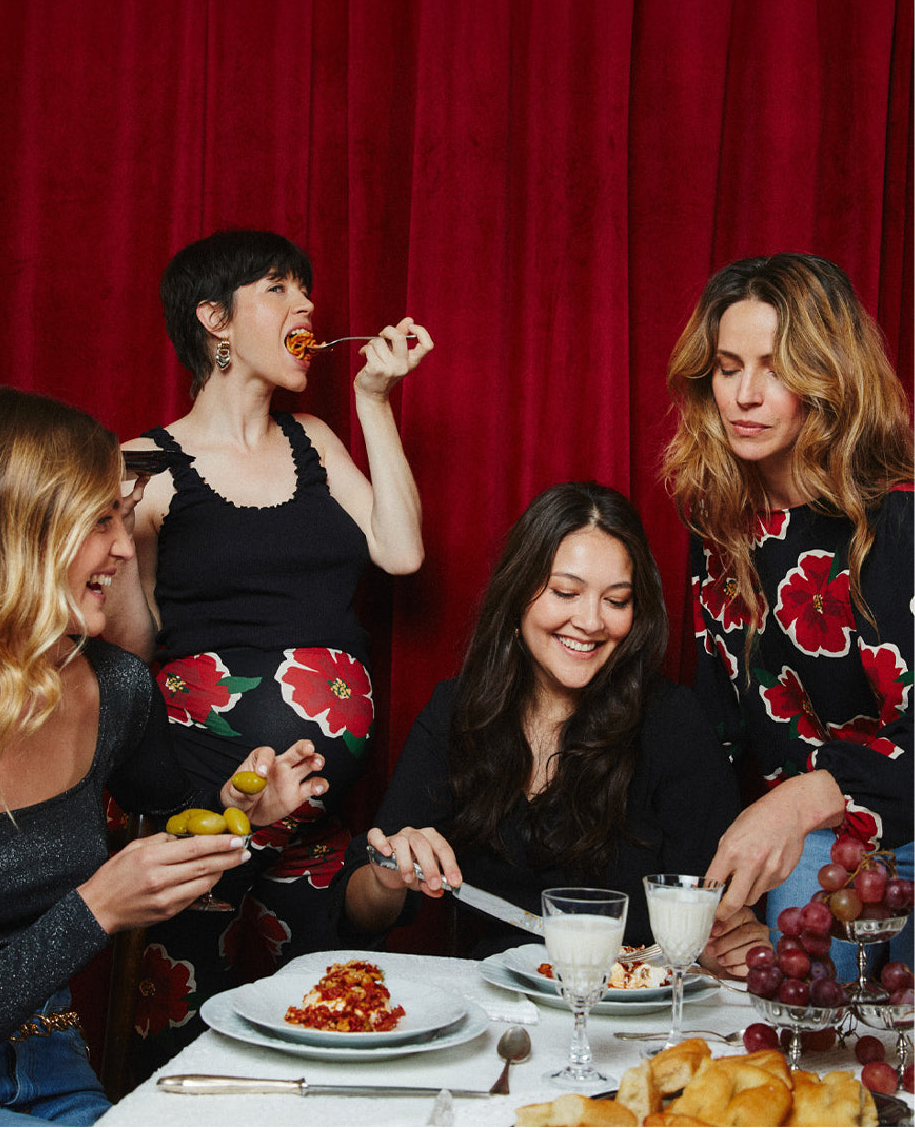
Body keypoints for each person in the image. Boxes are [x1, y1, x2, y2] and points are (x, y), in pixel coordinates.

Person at [0, 387, 327, 1125]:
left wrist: (238, 813)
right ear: (12, 530)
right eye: (99, 520)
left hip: (54, 1072)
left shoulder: (116, 689)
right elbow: (102, 903)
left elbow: (171, 827)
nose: (124, 547)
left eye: (121, 517)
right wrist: (93, 911)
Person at [102, 229, 432, 1057]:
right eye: (279, 288)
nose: (307, 305)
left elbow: (400, 551)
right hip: (203, 816)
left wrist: (374, 403)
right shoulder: (144, 463)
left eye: (304, 289)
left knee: (326, 1036)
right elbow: (135, 645)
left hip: (317, 826)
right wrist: (118, 531)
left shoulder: (314, 438)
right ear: (214, 319)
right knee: (183, 1039)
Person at [331, 482, 764, 974]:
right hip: (494, 1003)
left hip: (631, 1003)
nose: (591, 621)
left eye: (616, 601)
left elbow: (714, 915)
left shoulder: (674, 722)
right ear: (519, 593)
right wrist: (386, 876)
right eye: (565, 593)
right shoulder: (458, 711)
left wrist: (728, 942)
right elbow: (359, 916)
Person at [663, 253, 913, 969]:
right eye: (727, 367)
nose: (744, 395)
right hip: (802, 844)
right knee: (747, 968)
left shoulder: (898, 523)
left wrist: (806, 797)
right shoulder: (716, 521)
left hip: (897, 828)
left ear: (830, 379)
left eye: (776, 370)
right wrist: (710, 895)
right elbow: (716, 729)